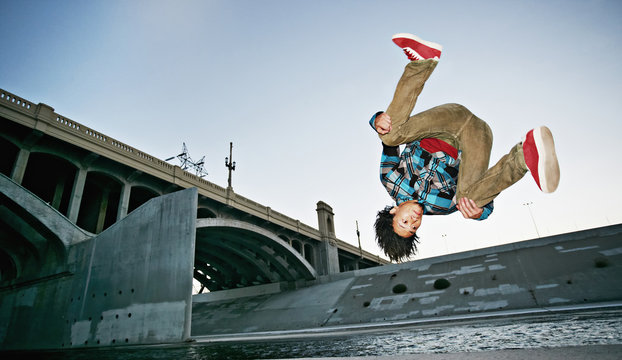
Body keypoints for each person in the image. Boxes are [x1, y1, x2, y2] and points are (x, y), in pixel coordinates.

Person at [372, 33, 560, 262]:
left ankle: (422, 63)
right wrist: (481, 213)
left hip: (446, 121)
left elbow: (387, 134)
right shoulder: (442, 208)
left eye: (405, 221)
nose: (414, 219)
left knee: (390, 137)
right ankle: (526, 153)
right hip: (475, 140)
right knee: (466, 202)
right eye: (414, 227)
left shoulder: (389, 178)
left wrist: (377, 120)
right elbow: (485, 199)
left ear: (393, 212)